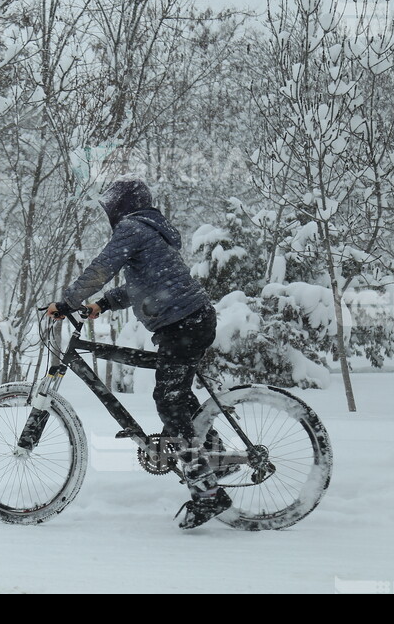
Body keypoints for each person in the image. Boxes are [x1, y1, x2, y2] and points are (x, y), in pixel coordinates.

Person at [46, 177, 230, 530]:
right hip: (187, 321)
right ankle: (216, 454)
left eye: (112, 206)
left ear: (122, 206)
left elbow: (102, 267)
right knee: (178, 395)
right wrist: (103, 303)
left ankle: (208, 493)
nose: (110, 213)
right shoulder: (149, 230)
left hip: (183, 323)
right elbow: (148, 283)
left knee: (169, 400)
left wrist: (68, 301)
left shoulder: (132, 228)